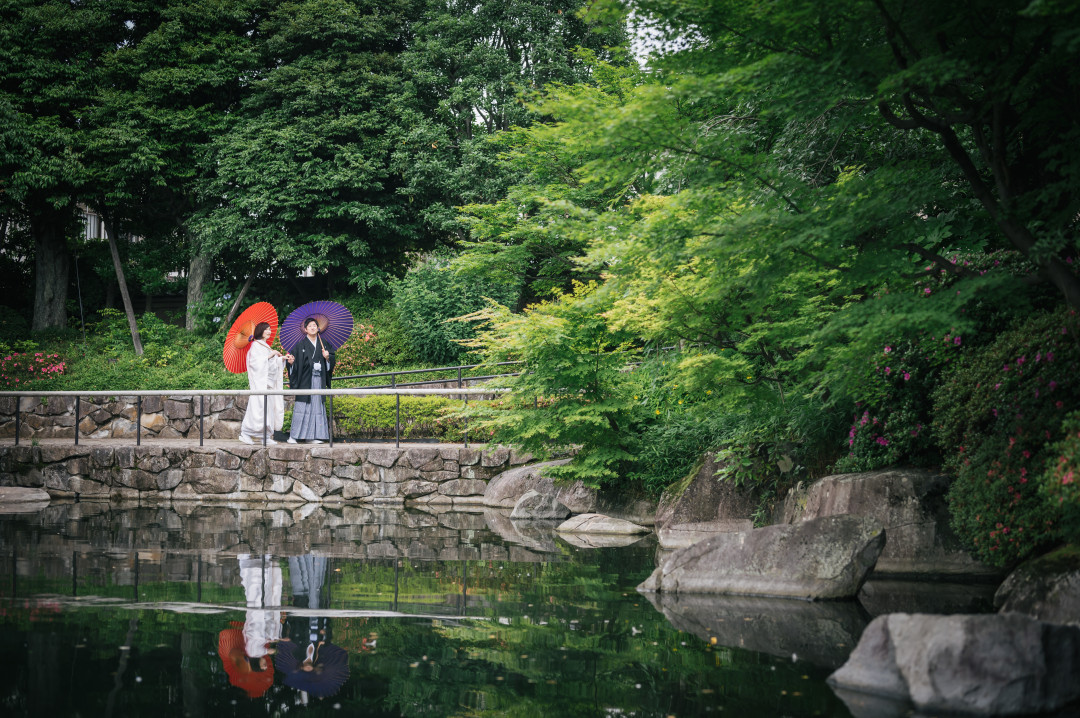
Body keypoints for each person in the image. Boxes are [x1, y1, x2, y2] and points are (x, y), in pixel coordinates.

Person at [285, 317, 335, 444]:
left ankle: (313, 436)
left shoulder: (324, 343)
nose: (313, 327)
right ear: (305, 329)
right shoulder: (300, 345)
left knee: (317, 407)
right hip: (305, 380)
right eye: (310, 326)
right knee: (302, 407)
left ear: (318, 328)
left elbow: (331, 358)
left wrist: (328, 357)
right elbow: (293, 362)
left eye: (315, 325)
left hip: (319, 380)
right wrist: (291, 363)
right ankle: (293, 436)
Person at [239, 322, 286, 445]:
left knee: (267, 410)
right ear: (260, 331)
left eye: (270, 329)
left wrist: (281, 359)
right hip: (260, 384)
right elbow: (255, 364)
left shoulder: (265, 345)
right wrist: (271, 355)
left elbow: (272, 364)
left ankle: (265, 436)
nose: (269, 331)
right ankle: (245, 433)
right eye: (266, 329)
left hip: (268, 384)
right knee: (257, 409)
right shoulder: (255, 345)